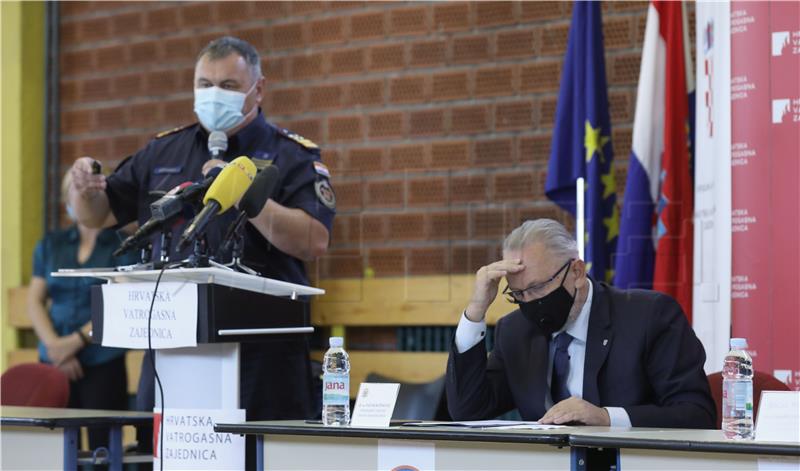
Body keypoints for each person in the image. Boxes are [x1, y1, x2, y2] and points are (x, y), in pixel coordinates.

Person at [67, 36, 335, 460]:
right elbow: (95, 214)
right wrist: (80, 185)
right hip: (174, 353)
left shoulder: (292, 155)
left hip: (261, 361)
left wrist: (243, 189)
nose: (214, 95)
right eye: (204, 84)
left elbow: (313, 241)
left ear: (258, 89)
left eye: (228, 85)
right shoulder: (163, 150)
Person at [446, 218, 716, 428]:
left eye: (538, 287)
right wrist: (476, 311)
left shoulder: (649, 316)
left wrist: (606, 418)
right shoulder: (516, 330)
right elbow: (468, 410)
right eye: (518, 294)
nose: (529, 301)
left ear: (576, 271)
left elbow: (695, 413)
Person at [28, 172, 137, 449]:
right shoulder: (51, 244)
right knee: (54, 448)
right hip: (53, 359)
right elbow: (34, 301)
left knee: (103, 447)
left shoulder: (123, 244)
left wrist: (77, 341)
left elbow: (121, 299)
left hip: (102, 356)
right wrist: (55, 348)